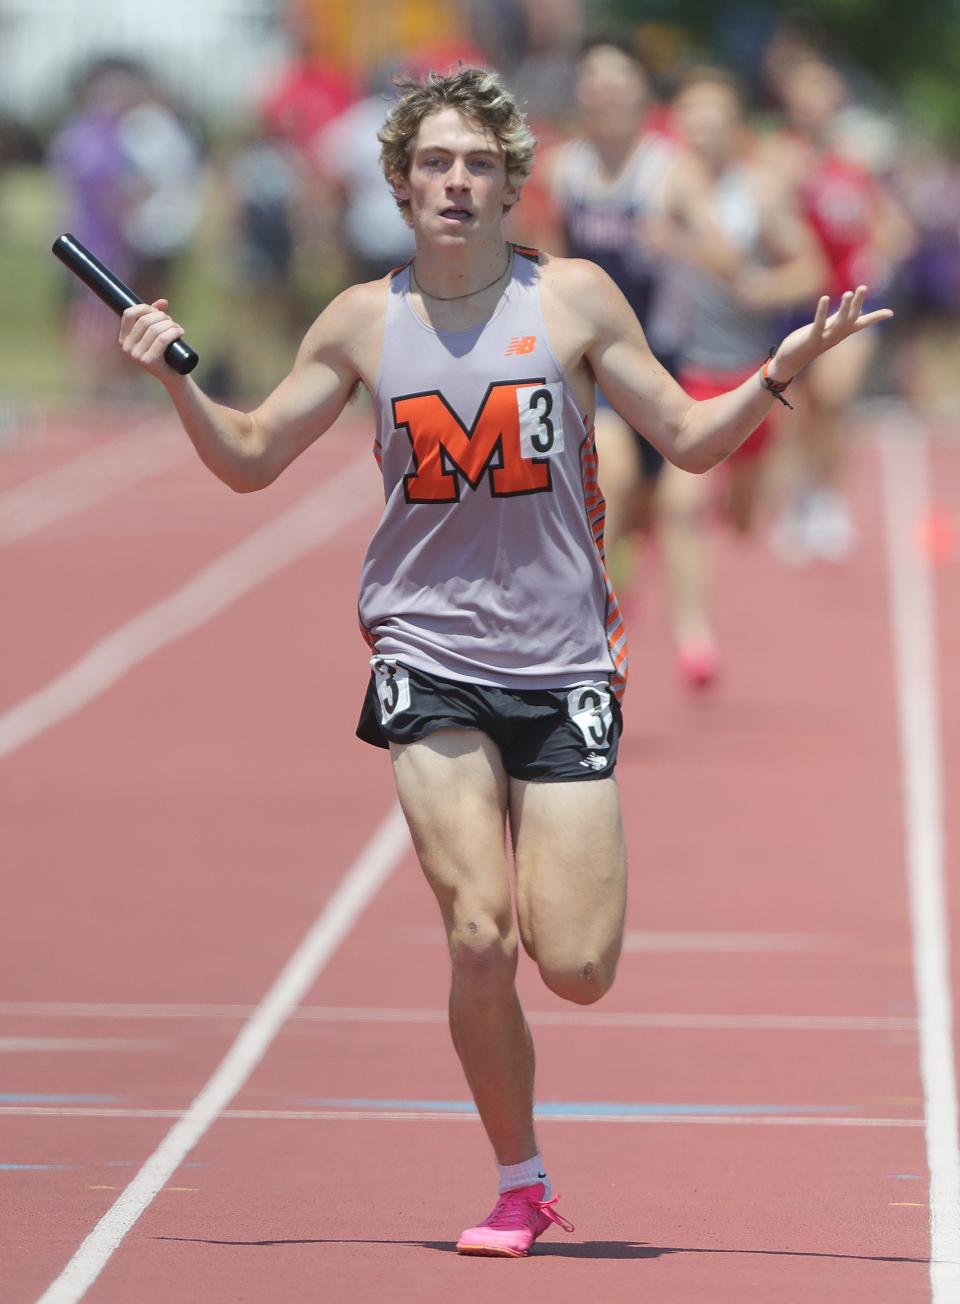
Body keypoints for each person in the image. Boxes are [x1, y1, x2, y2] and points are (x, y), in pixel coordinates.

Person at [114, 67, 891, 1257]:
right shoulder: (363, 321)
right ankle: (518, 1179)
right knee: (477, 932)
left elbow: (682, 439)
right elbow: (253, 455)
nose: (457, 182)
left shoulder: (571, 302)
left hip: (565, 657)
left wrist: (776, 375)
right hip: (424, 649)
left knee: (575, 964)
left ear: (516, 183)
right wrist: (180, 377)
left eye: (480, 163)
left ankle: (533, 1086)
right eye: (435, 163)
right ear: (399, 183)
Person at [650, 66, 826, 686]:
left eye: (714, 124)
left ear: (735, 130)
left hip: (751, 374)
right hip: (685, 367)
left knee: (746, 517)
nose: (701, 135)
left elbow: (809, 268)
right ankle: (694, 638)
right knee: (682, 504)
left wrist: (763, 287)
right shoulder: (662, 185)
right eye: (690, 122)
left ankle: (729, 512)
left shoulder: (758, 192)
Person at [535, 36, 677, 594]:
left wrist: (681, 243)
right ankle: (593, 603)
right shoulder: (559, 170)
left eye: (620, 79)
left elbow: (726, 258)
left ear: (641, 90)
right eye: (595, 78)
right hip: (590, 358)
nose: (607, 91)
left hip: (661, 352)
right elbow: (539, 261)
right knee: (610, 477)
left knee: (651, 497)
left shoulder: (670, 171)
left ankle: (622, 561)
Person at [765, 57, 914, 563]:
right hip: (797, 301)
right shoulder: (778, 158)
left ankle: (827, 501)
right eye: (806, 94)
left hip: (849, 300)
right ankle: (802, 498)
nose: (815, 105)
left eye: (824, 95)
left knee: (834, 394)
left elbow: (892, 223)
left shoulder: (853, 165)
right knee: (795, 409)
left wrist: (881, 253)